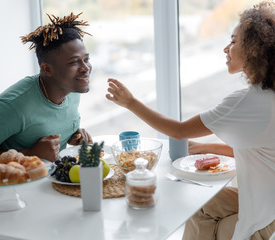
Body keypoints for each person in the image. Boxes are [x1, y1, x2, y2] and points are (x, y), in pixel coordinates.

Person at [106, 1, 275, 239]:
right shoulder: (268, 95)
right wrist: (206, 147)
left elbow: (179, 131)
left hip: (265, 216)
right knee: (200, 203)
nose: (226, 48)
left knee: (203, 208)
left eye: (234, 41)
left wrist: (130, 102)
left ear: (255, 49)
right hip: (269, 200)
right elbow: (262, 150)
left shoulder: (247, 101)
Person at [0, 12, 93, 167]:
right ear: (47, 69)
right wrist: (28, 154)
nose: (85, 68)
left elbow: (50, 123)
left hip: (49, 178)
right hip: (10, 187)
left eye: (86, 59)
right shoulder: (14, 105)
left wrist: (74, 135)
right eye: (74, 62)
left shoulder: (71, 91)